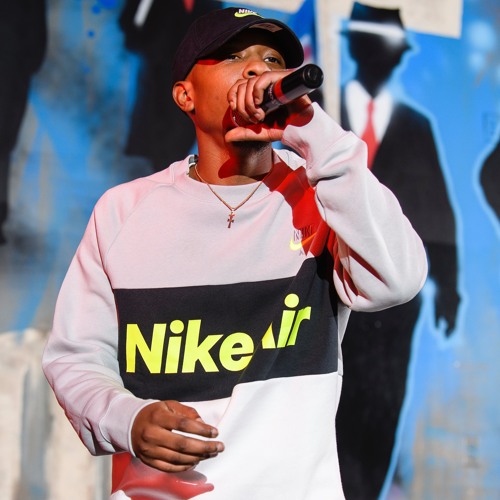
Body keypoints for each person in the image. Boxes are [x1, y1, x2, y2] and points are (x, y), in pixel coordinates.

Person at [42, 7, 427, 499]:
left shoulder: (324, 200)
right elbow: (76, 358)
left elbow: (397, 279)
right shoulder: (124, 211)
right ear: (185, 94)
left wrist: (315, 133)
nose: (257, 69)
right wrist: (129, 420)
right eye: (232, 56)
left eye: (272, 60)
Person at [336, 3, 460, 498]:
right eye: (374, 47)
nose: (383, 59)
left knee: (380, 413)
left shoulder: (416, 126)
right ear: (353, 47)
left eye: (391, 51)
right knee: (323, 407)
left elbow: (439, 213)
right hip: (322, 298)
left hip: (394, 311)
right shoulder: (317, 115)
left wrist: (449, 290)